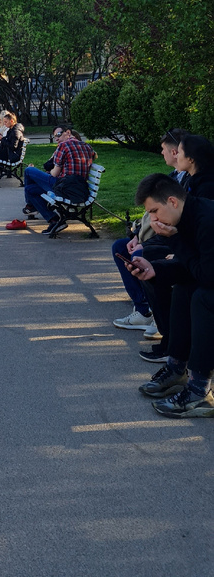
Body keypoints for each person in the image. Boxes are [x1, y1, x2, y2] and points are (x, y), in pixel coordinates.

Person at [123, 173, 214, 417]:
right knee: (184, 290)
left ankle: (199, 391)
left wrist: (174, 241)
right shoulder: (187, 217)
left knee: (204, 298)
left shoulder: (206, 220)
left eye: (154, 211)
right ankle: (177, 368)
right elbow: (193, 267)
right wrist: (155, 271)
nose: (152, 219)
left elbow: (206, 276)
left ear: (172, 202)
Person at [111, 127, 187, 336]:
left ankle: (159, 318)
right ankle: (143, 309)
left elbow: (174, 218)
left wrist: (142, 244)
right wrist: (137, 236)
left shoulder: (191, 180)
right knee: (120, 247)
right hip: (157, 236)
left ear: (175, 152)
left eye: (163, 149)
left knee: (140, 255)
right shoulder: (173, 176)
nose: (161, 153)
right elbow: (151, 213)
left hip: (170, 238)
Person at [17, 126, 97, 233]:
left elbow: (54, 174)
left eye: (59, 135)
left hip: (63, 187)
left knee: (29, 171)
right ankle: (54, 221)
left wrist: (50, 172)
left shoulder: (63, 146)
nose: (57, 139)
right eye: (55, 137)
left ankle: (31, 206)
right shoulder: (87, 146)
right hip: (80, 189)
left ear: (68, 132)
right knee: (30, 189)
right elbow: (93, 156)